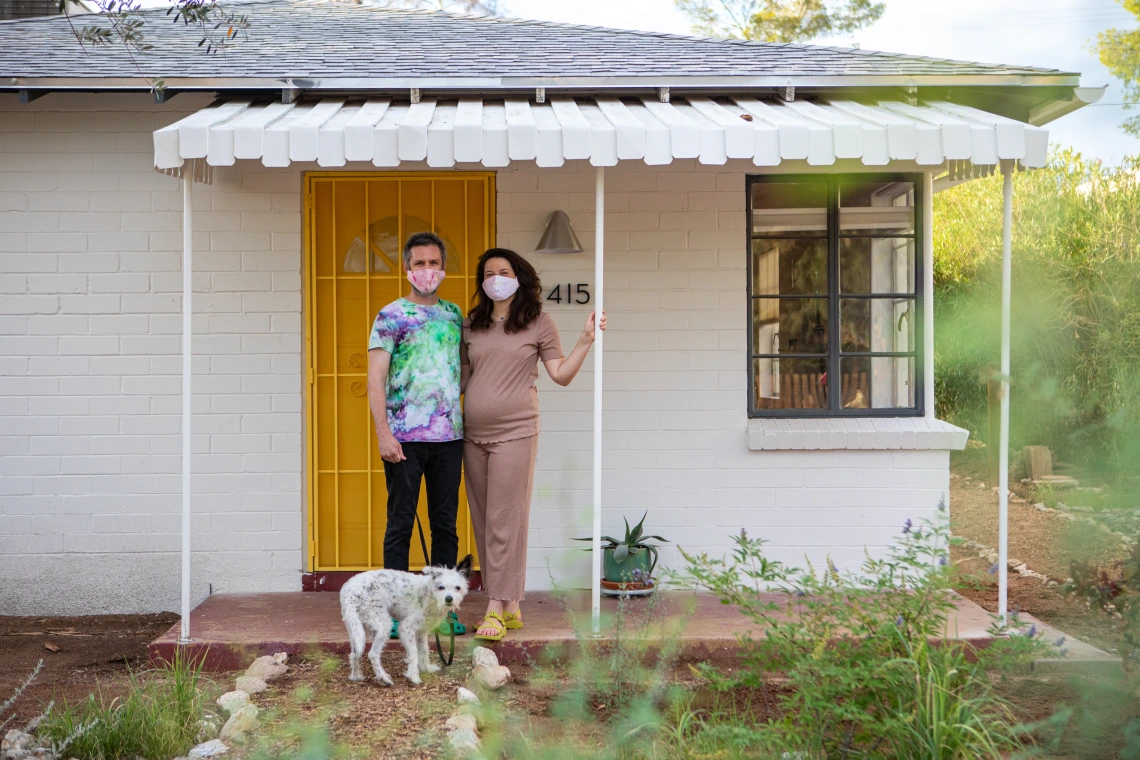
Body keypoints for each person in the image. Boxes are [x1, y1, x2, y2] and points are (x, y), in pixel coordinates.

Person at [460, 248, 605, 641]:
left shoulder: (538, 323)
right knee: (485, 519)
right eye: (488, 272)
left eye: (503, 271)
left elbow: (560, 374)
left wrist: (586, 340)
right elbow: (462, 380)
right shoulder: (471, 325)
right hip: (472, 435)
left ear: (518, 278)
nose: (495, 278)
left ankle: (494, 607)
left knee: (505, 521)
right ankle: (511, 604)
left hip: (516, 432)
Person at [367, 231, 466, 638]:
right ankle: (396, 612)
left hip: (449, 438)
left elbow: (464, 370)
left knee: (445, 524)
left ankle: (443, 611)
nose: (428, 270)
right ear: (407, 268)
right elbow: (375, 379)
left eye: (434, 263)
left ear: (443, 268)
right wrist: (383, 434)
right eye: (420, 263)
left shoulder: (454, 314)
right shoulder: (391, 315)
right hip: (404, 440)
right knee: (400, 524)